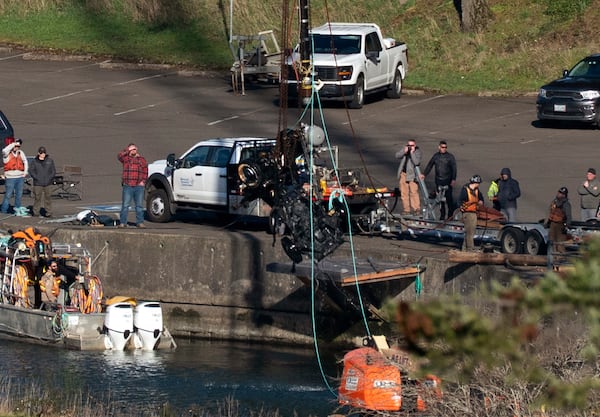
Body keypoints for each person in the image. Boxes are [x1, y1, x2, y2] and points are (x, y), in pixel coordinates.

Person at [420, 140, 457, 220]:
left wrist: (453, 179)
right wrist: (424, 174)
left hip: (447, 181)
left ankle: (450, 216)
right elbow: (430, 165)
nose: (444, 149)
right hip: (438, 181)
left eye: (445, 147)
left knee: (449, 199)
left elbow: (454, 168)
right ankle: (442, 216)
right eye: (442, 147)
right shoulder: (436, 156)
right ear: (439, 147)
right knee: (440, 200)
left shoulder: (450, 157)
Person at [118, 143, 148, 228]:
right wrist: (127, 151)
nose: (133, 151)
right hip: (128, 185)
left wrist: (143, 181)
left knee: (139, 206)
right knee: (125, 205)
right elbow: (119, 156)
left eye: (135, 149)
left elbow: (145, 170)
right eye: (132, 149)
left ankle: (140, 222)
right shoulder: (126, 159)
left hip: (139, 186)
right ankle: (123, 222)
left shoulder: (141, 159)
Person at [1, 138, 28, 215]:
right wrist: (13, 144)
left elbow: (25, 161)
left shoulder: (20, 153)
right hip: (10, 178)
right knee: (8, 195)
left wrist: (25, 172)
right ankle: (4, 210)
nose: (16, 148)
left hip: (20, 177)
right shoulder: (6, 155)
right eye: (15, 146)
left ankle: (17, 209)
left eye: (18, 146)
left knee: (19, 194)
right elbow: (4, 151)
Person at [395, 139, 422, 216]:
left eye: (412, 145)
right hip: (404, 174)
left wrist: (412, 153)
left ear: (415, 145)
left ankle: (416, 209)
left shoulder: (417, 152)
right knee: (404, 192)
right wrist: (404, 151)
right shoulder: (405, 150)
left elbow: (416, 162)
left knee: (413, 192)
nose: (410, 147)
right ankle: (406, 209)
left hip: (413, 174)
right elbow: (397, 155)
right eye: (409, 145)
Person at [458, 175, 484, 251]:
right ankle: (470, 249)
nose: (478, 185)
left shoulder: (477, 190)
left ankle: (464, 249)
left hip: (474, 213)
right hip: (467, 213)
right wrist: (461, 207)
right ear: (475, 182)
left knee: (469, 232)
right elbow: (459, 201)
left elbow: (481, 198)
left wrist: (481, 201)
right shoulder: (465, 190)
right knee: (470, 233)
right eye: (478, 183)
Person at [29, 146, 56, 218]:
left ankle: (49, 212)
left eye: (44, 152)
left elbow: (53, 171)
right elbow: (31, 171)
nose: (43, 154)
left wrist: (50, 178)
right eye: (41, 153)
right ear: (38, 153)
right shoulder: (34, 162)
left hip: (48, 183)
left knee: (48, 198)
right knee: (37, 198)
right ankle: (36, 212)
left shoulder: (50, 161)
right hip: (38, 183)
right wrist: (36, 178)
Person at [545, 187, 572, 254]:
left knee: (560, 244)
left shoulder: (566, 204)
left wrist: (567, 225)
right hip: (553, 224)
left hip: (561, 225)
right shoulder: (554, 202)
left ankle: (560, 259)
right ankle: (552, 259)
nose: (559, 194)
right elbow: (549, 212)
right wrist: (546, 222)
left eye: (561, 193)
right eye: (559, 192)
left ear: (564, 195)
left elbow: (568, 215)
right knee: (551, 242)